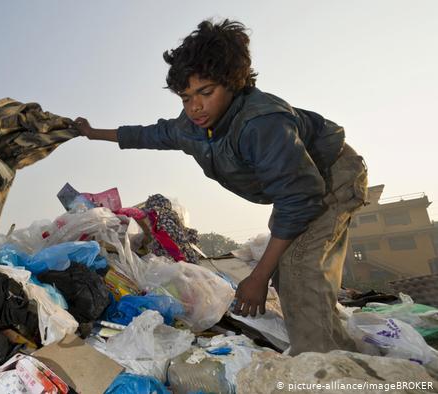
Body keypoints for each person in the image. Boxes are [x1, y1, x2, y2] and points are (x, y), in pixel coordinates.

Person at [73, 19, 368, 355]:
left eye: (206, 92)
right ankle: (343, 357)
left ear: (233, 83)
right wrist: (94, 132)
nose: (194, 106)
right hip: (297, 187)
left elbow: (297, 201)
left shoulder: (262, 122)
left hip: (331, 177)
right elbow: (149, 134)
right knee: (291, 275)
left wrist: (257, 277)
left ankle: (327, 372)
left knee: (298, 273)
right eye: (185, 97)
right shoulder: (194, 127)